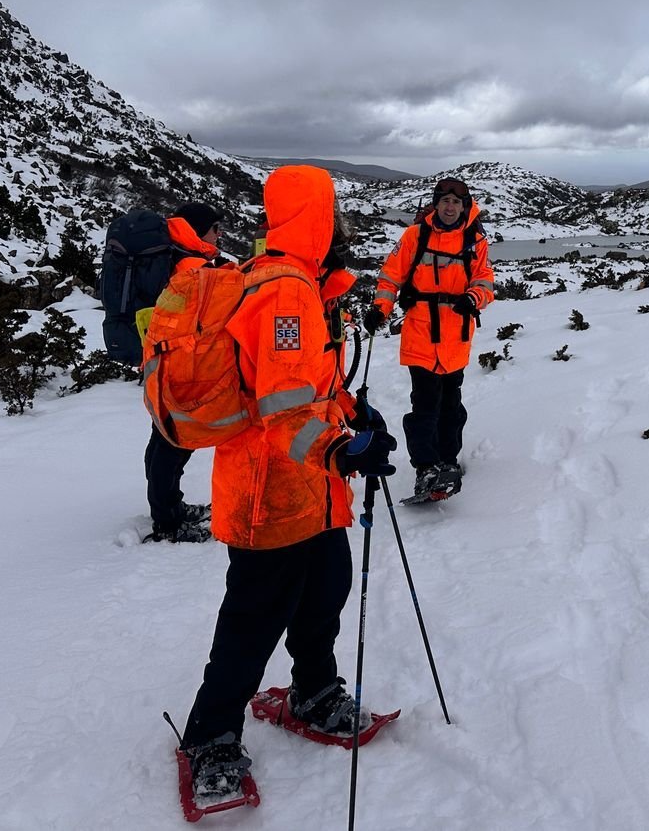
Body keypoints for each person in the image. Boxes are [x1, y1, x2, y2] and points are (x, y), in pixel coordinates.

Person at [179, 165, 398, 801]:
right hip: (267, 494)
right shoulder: (283, 293)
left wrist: (353, 415)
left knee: (325, 591)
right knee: (253, 618)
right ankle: (211, 735)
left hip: (313, 492)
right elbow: (281, 411)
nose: (343, 228)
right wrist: (342, 451)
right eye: (333, 215)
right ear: (317, 220)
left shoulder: (302, 285)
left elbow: (307, 386)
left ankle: (314, 693)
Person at [363, 176, 494, 497]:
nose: (450, 207)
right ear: (435, 204)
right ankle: (426, 467)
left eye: (456, 202)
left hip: (456, 335)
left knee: (451, 405)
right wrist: (380, 308)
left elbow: (485, 281)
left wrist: (473, 298)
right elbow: (390, 276)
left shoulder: (475, 241)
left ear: (465, 207)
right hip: (420, 333)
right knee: (424, 405)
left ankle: (448, 461)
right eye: (445, 201)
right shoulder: (414, 236)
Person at [144, 202, 226, 543]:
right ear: (197, 230)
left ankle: (170, 507)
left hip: (162, 362)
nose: (219, 234)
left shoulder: (177, 257)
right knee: (174, 442)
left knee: (162, 438)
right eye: (214, 228)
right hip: (180, 365)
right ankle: (167, 522)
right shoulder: (192, 266)